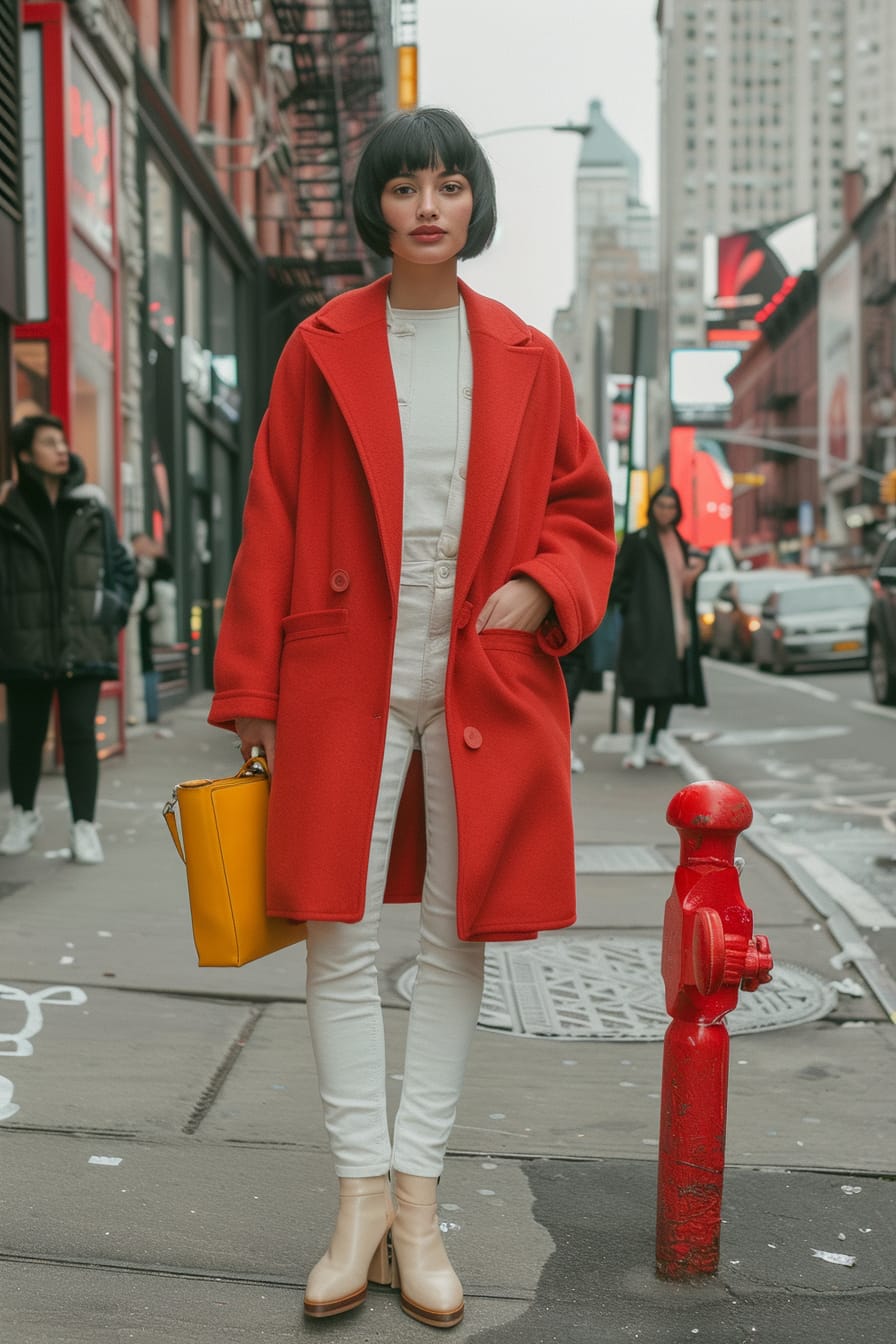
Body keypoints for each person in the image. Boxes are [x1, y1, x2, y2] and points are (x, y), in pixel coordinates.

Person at [209, 107, 616, 1328]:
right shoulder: (317, 344)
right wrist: (249, 694)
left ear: (472, 202)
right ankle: (358, 1203)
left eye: (448, 184)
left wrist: (539, 585)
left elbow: (582, 510)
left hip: (480, 675)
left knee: (457, 939)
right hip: (345, 674)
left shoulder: (528, 358)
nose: (426, 207)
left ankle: (418, 1203)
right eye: (402, 189)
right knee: (330, 932)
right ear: (376, 209)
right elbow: (272, 517)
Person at [0, 415, 136, 863]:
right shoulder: (9, 510)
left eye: (63, 440)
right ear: (24, 455)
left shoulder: (90, 505)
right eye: (48, 442)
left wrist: (107, 615)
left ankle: (83, 827)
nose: (62, 449)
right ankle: (24, 815)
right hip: (26, 642)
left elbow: (122, 568)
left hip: (83, 642)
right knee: (25, 735)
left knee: (79, 733)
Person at [610, 485, 707, 770]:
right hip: (647, 626)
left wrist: (695, 574)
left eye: (671, 507)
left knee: (669, 686)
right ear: (652, 507)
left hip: (677, 625)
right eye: (661, 505)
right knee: (646, 686)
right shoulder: (638, 540)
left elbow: (683, 586)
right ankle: (638, 743)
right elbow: (618, 582)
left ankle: (657, 741)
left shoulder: (681, 542)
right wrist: (635, 611)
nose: (666, 511)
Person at [131, 533, 175, 724]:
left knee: (147, 665)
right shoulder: (136, 564)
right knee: (141, 665)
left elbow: (168, 570)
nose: (147, 547)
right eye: (144, 543)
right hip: (136, 623)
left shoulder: (151, 566)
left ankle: (151, 711)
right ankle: (145, 711)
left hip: (146, 624)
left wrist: (157, 555)